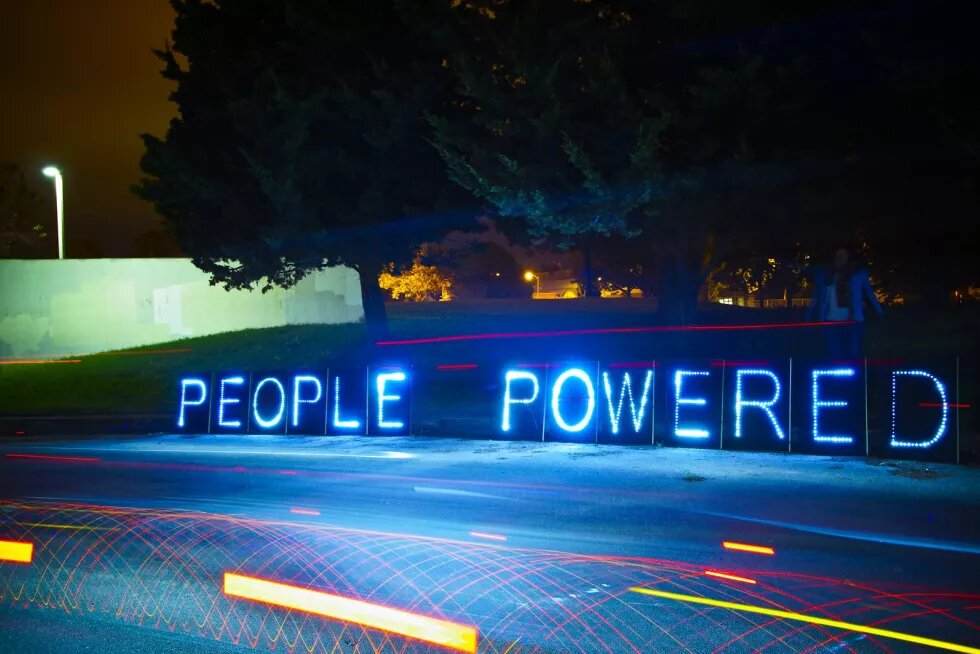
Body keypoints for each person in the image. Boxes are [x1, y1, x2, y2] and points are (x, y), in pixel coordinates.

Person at [808, 247, 884, 359]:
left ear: (849, 256)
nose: (841, 257)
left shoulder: (858, 273)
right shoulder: (825, 274)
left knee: (853, 354)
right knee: (834, 355)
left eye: (844, 254)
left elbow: (869, 292)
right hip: (831, 321)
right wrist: (809, 315)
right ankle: (837, 376)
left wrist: (879, 311)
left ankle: (853, 375)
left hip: (853, 320)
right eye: (838, 254)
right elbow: (816, 296)